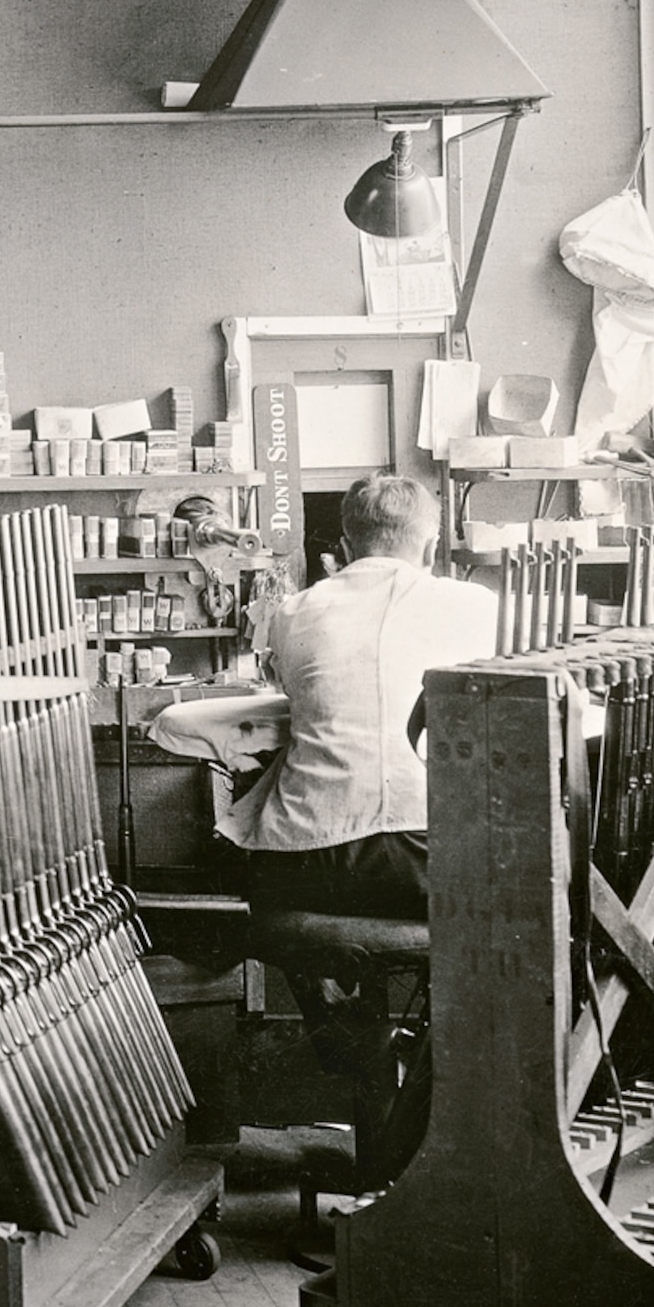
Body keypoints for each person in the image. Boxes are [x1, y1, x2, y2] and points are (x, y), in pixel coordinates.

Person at [229, 469, 498, 1179]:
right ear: (432, 541)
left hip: (309, 859)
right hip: (423, 859)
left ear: (343, 542)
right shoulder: (478, 606)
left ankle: (341, 1034)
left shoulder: (295, 610)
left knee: (254, 868)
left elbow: (297, 690)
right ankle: (418, 1111)